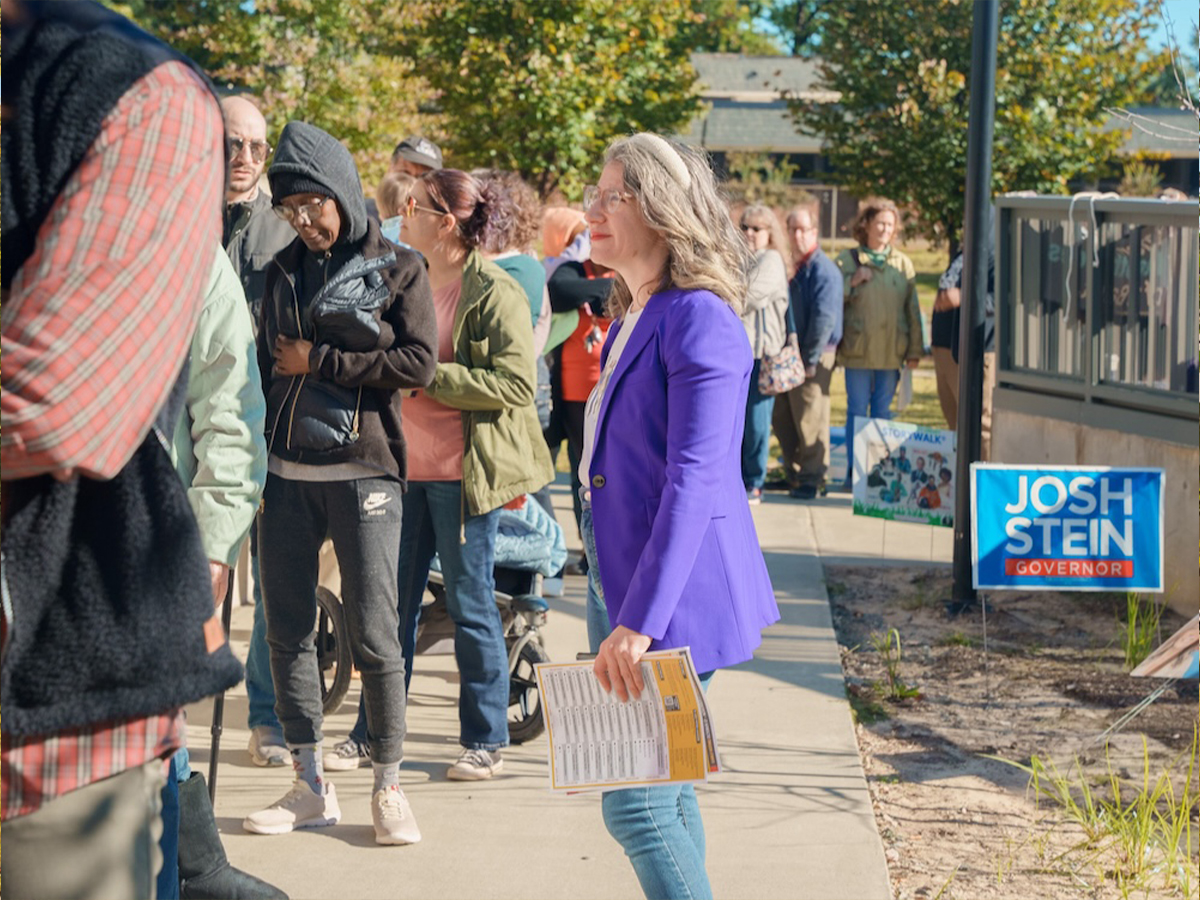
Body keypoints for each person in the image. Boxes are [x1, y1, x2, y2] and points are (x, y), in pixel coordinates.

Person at [1, 2, 243, 896]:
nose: (251, 168)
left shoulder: (133, 94)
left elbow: (220, 399)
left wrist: (216, 539)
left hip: (56, 688)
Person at [578, 132, 781, 900]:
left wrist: (641, 622)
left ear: (661, 212)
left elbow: (695, 478)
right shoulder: (638, 310)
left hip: (670, 604)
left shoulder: (700, 318)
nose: (593, 209)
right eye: (595, 195)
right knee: (668, 786)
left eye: (611, 197)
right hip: (625, 585)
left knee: (635, 802)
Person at [324, 169, 554, 781]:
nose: (402, 215)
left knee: (472, 606)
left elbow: (514, 384)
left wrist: (427, 376)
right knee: (387, 609)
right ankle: (373, 733)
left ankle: (485, 739)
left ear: (446, 222)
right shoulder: (405, 277)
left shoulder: (494, 291)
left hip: (462, 478)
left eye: (415, 208)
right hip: (398, 473)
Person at [244, 121, 437, 846]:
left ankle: (389, 786)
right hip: (286, 474)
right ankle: (309, 783)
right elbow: (268, 365)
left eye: (313, 204)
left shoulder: (400, 268)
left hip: (367, 475)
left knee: (375, 632)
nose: (304, 221)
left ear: (342, 191)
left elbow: (419, 364)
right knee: (288, 632)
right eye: (290, 209)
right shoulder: (282, 270)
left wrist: (320, 362)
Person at [162, 248, 284, 900]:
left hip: (152, 540)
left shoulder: (189, 252)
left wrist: (213, 548)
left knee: (155, 716)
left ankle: (193, 861)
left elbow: (231, 411)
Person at [218, 94, 299, 772]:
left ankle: (265, 717)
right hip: (187, 427)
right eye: (231, 143)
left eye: (255, 146)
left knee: (275, 583)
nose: (244, 159)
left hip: (270, 428)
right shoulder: (171, 213)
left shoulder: (281, 228)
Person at [835, 197, 922, 488]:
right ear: (866, 225)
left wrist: (914, 351)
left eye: (890, 224)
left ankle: (877, 472)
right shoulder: (848, 260)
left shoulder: (903, 264)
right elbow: (833, 300)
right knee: (857, 411)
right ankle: (853, 471)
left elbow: (913, 311)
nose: (885, 229)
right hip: (857, 350)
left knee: (882, 413)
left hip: (891, 352)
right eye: (879, 223)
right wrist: (852, 282)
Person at [772, 195, 843, 500]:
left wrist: (810, 359)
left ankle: (813, 479)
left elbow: (825, 319)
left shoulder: (823, 270)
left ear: (815, 232)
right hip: (790, 355)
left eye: (803, 229)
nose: (797, 235)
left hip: (815, 355)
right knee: (784, 418)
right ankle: (795, 473)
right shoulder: (796, 267)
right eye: (793, 229)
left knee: (811, 418)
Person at [737, 203, 791, 504]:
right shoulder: (739, 259)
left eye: (757, 228)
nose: (749, 233)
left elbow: (748, 296)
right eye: (745, 226)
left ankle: (755, 481)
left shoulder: (771, 260)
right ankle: (740, 478)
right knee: (737, 421)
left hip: (763, 354)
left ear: (769, 233)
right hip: (739, 352)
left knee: (757, 423)